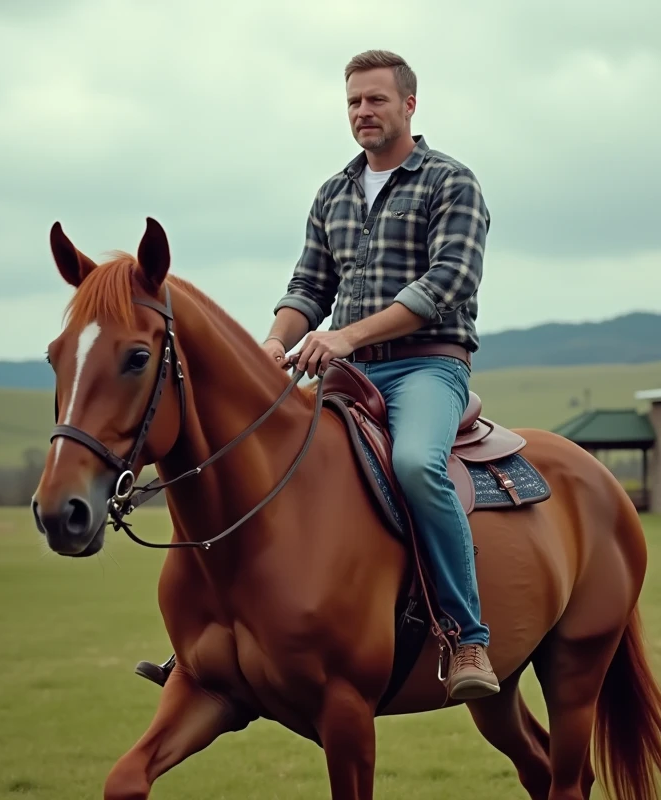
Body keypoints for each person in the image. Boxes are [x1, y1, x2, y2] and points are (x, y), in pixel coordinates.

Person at [134, 49, 498, 701]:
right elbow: (310, 283)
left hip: (426, 369)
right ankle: (217, 633)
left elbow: (447, 282)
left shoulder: (451, 182)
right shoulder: (333, 191)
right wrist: (274, 343)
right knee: (251, 452)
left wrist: (348, 335)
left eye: (377, 100)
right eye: (354, 101)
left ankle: (467, 636)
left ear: (409, 105)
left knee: (417, 464)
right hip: (346, 371)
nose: (363, 111)